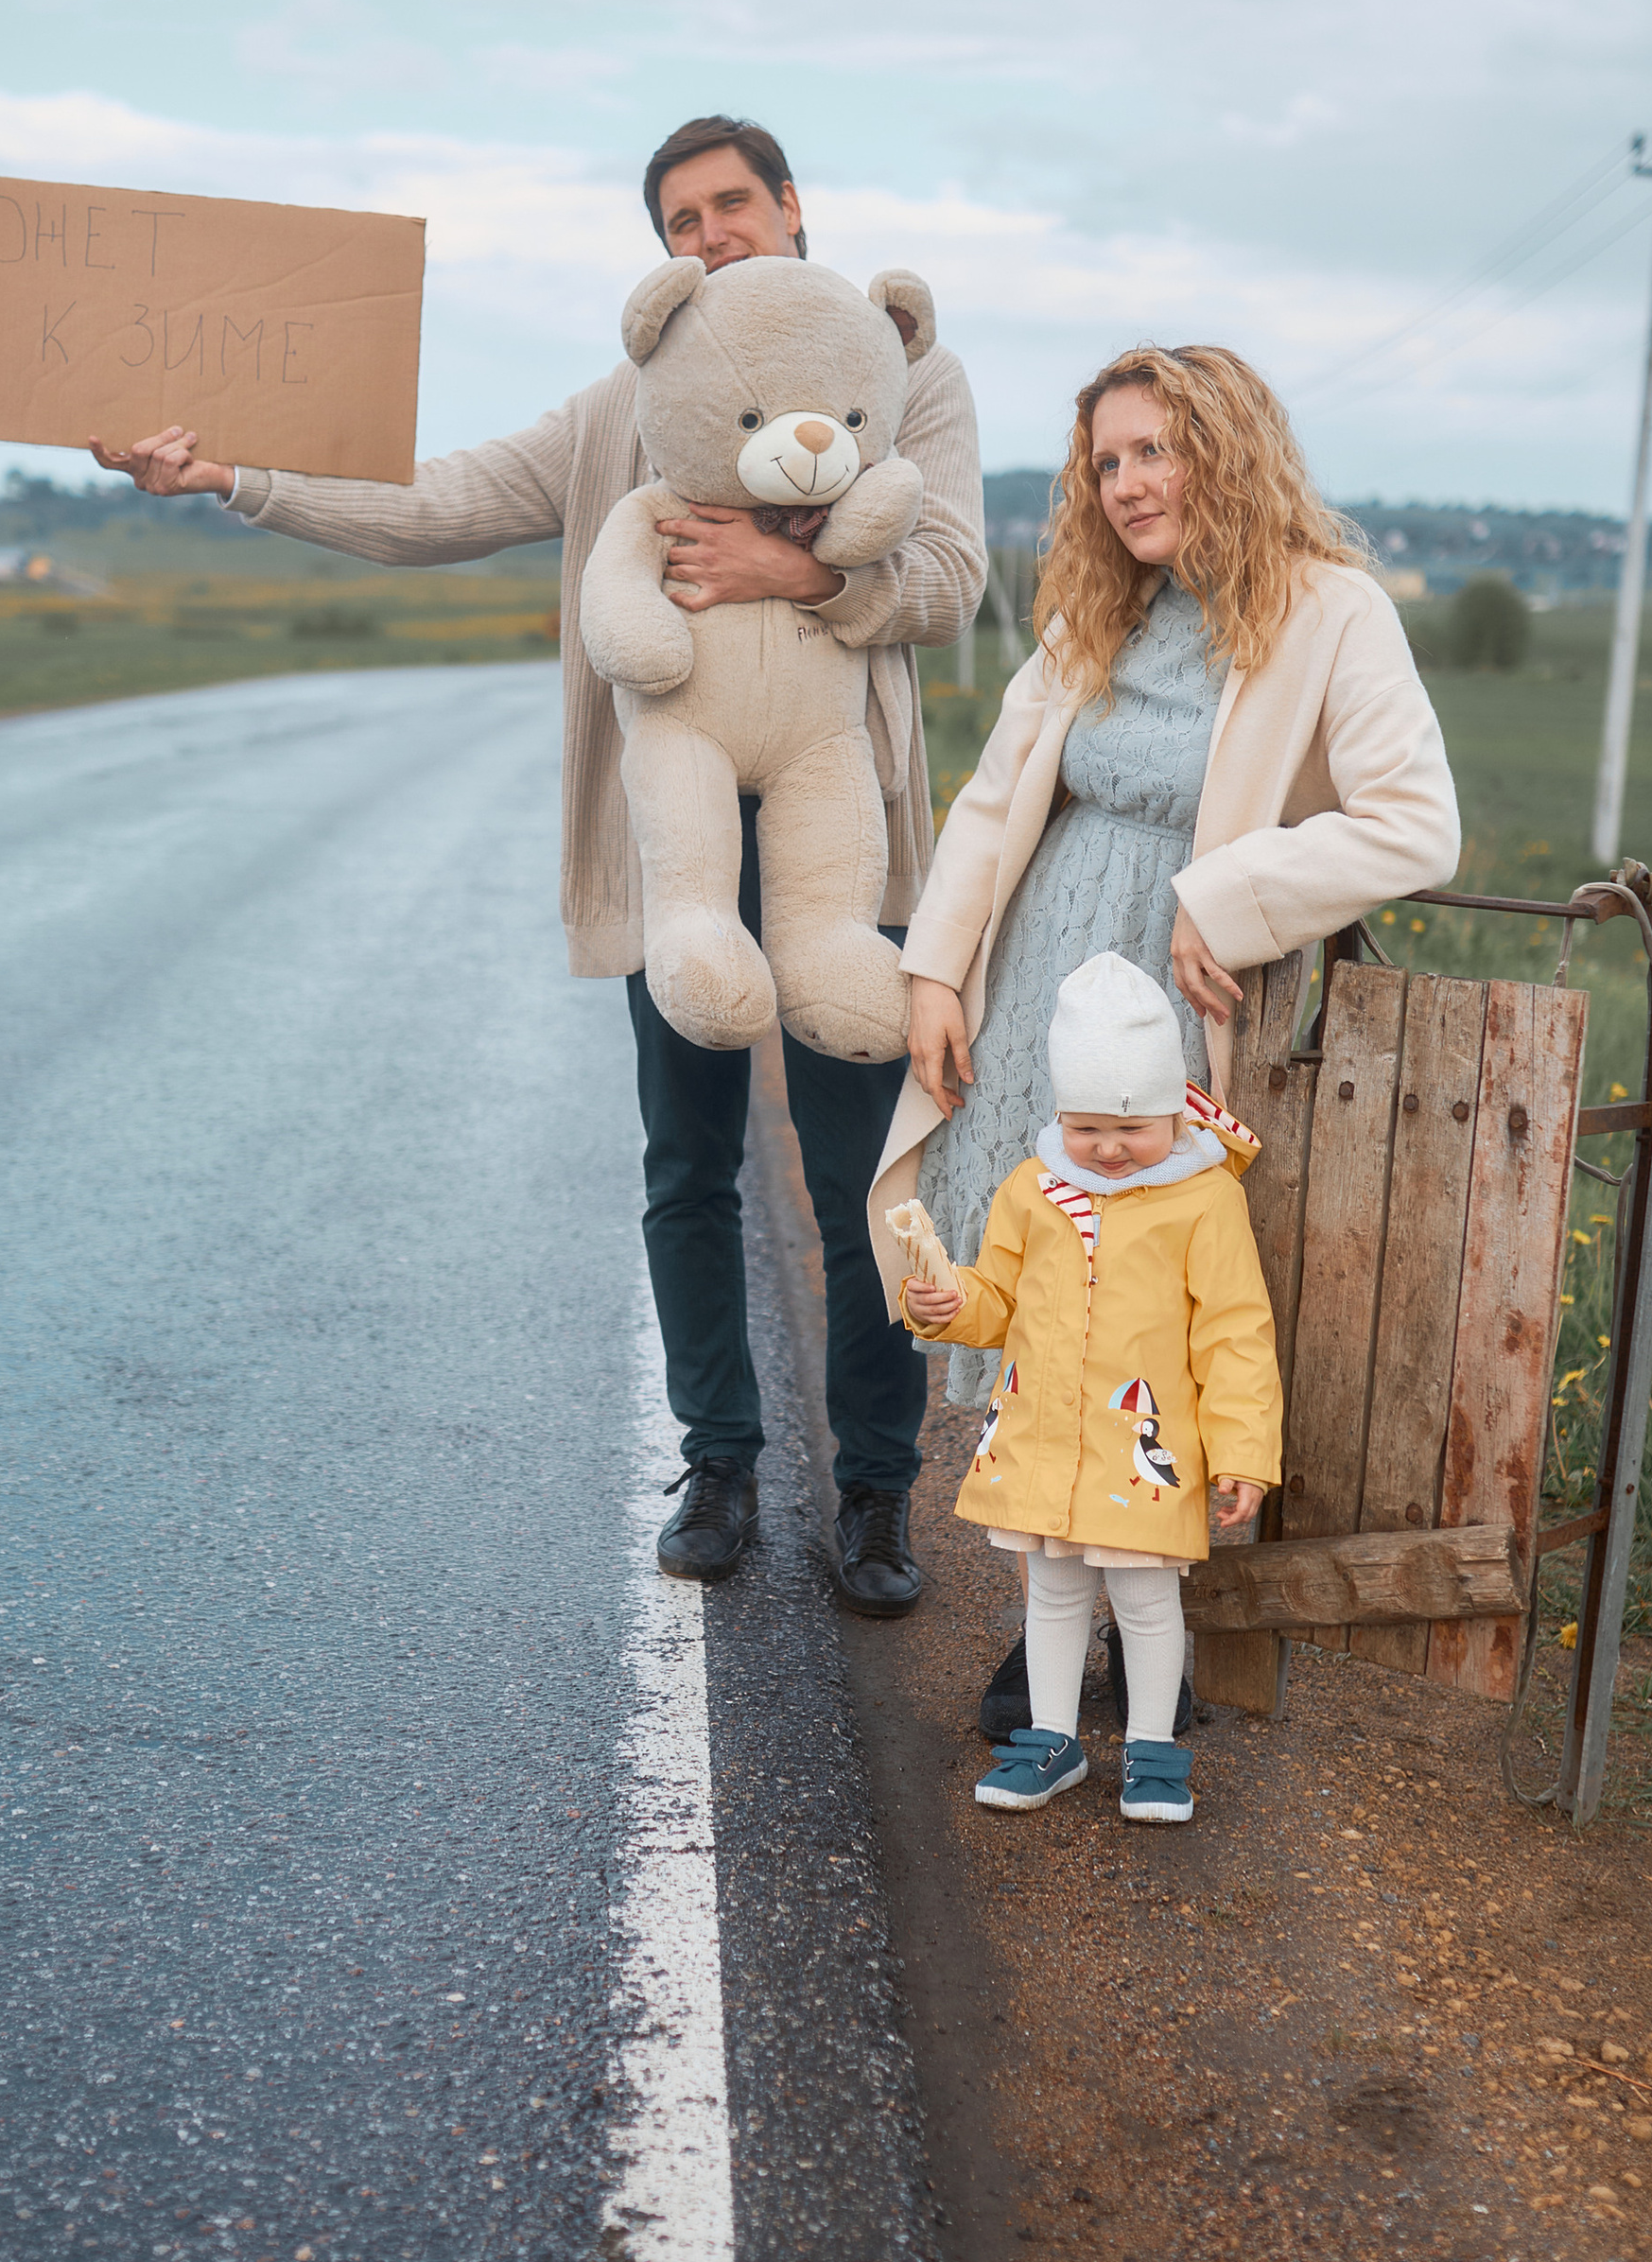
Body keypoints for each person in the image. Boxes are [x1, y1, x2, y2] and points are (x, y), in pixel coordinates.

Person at [94, 115, 984, 1615]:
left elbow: (951, 579)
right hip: (674, 848)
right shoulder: (628, 403)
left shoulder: (909, 376)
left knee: (865, 1177)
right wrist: (238, 478)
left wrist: (802, 570)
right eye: (680, 224)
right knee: (688, 1164)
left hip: (849, 843)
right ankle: (719, 1463)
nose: (710, 238)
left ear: (793, 208)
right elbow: (434, 505)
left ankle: (880, 1494)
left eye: (730, 207)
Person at [869, 340, 1458, 1730]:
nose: (1129, 485)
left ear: (1229, 451)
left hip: (1179, 1014)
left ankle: (1143, 1647)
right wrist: (939, 973)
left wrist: (1229, 893)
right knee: (1044, 1305)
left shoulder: (1332, 612)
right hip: (1033, 1003)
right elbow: (997, 796)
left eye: (1157, 450)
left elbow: (1417, 823)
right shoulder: (1101, 612)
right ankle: (1052, 1631)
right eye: (1109, 460)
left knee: (1150, 1309)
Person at [899, 953, 1280, 1826]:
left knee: (1147, 1602)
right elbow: (998, 1302)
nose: (1108, 1148)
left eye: (1132, 1128)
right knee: (1053, 1592)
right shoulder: (1032, 1190)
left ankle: (1152, 1750)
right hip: (1045, 1440)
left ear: (1171, 1111)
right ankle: (1052, 1738)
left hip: (1139, 1453)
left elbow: (1235, 1333)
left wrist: (1243, 1453)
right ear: (1059, 1114)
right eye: (1087, 1127)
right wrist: (948, 1302)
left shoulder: (1202, 1201)